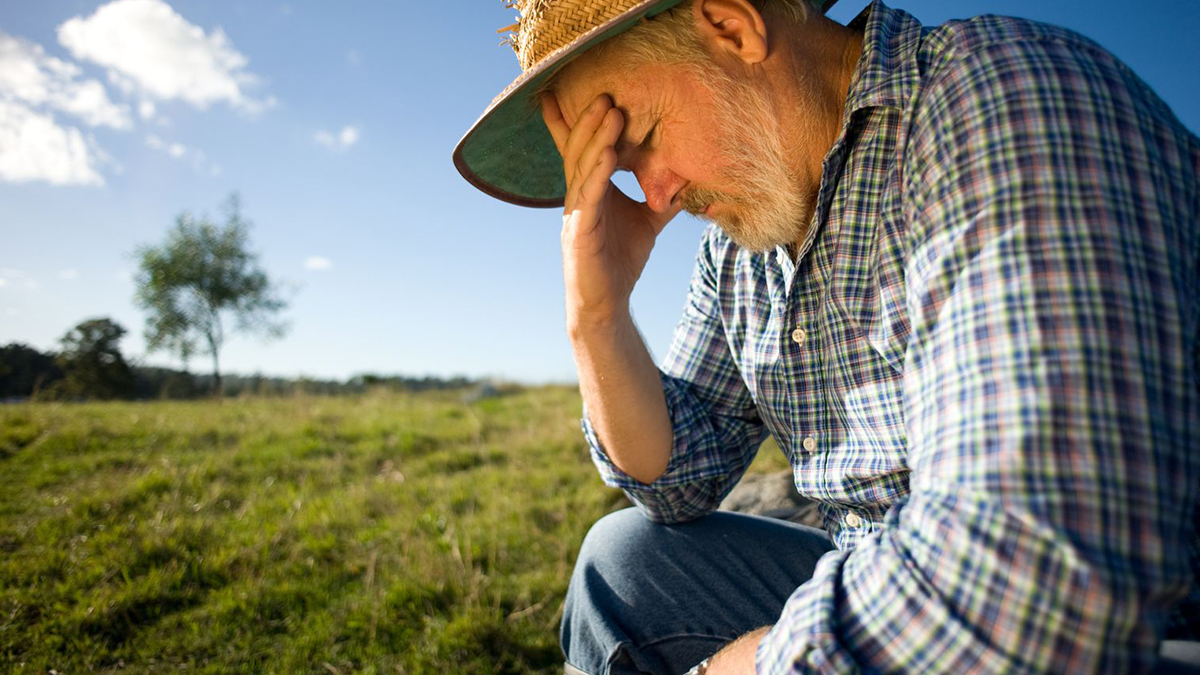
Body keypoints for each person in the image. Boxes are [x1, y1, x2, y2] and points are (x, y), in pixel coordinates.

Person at [452, 0, 1200, 672]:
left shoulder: (1003, 101)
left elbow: (1024, 584)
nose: (654, 195)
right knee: (624, 564)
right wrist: (598, 314)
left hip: (1131, 631)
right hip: (886, 579)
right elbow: (675, 476)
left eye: (642, 137)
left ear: (731, 25)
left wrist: (735, 669)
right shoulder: (743, 248)